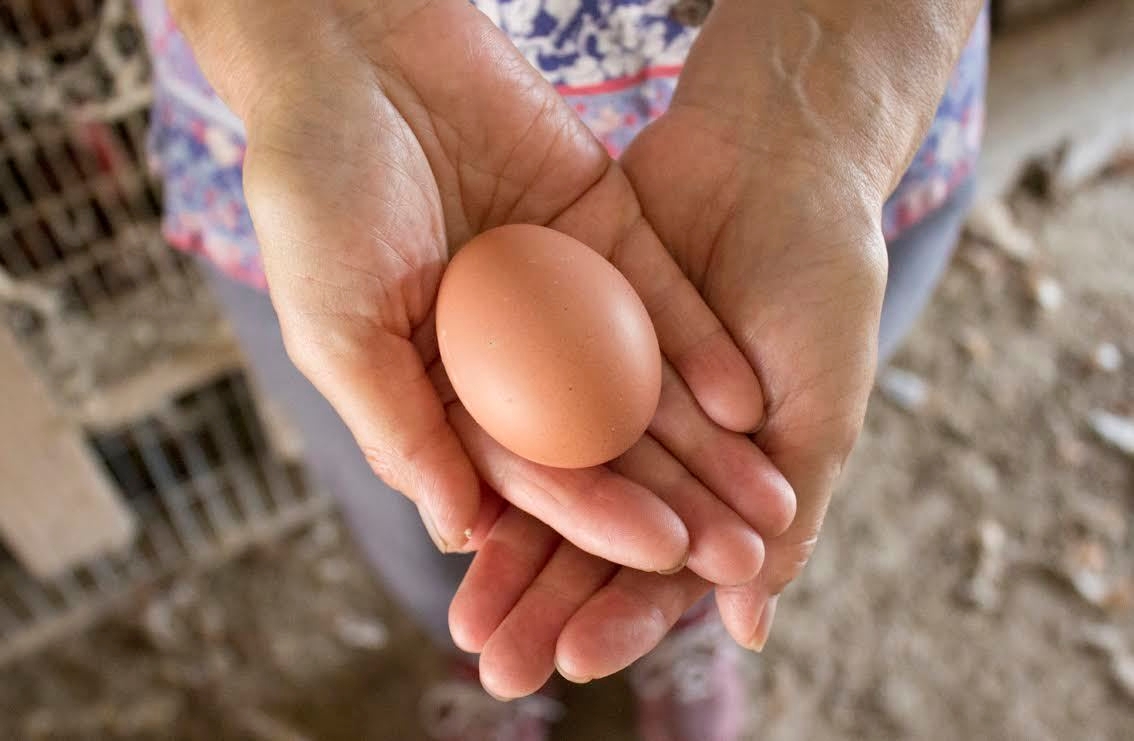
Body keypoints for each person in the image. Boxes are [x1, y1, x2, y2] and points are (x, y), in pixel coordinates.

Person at [135, 1, 989, 738]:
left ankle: (686, 623)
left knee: (724, 458)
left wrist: (838, 65)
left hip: (819, 102)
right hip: (370, 153)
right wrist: (316, 29)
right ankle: (469, 649)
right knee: (437, 508)